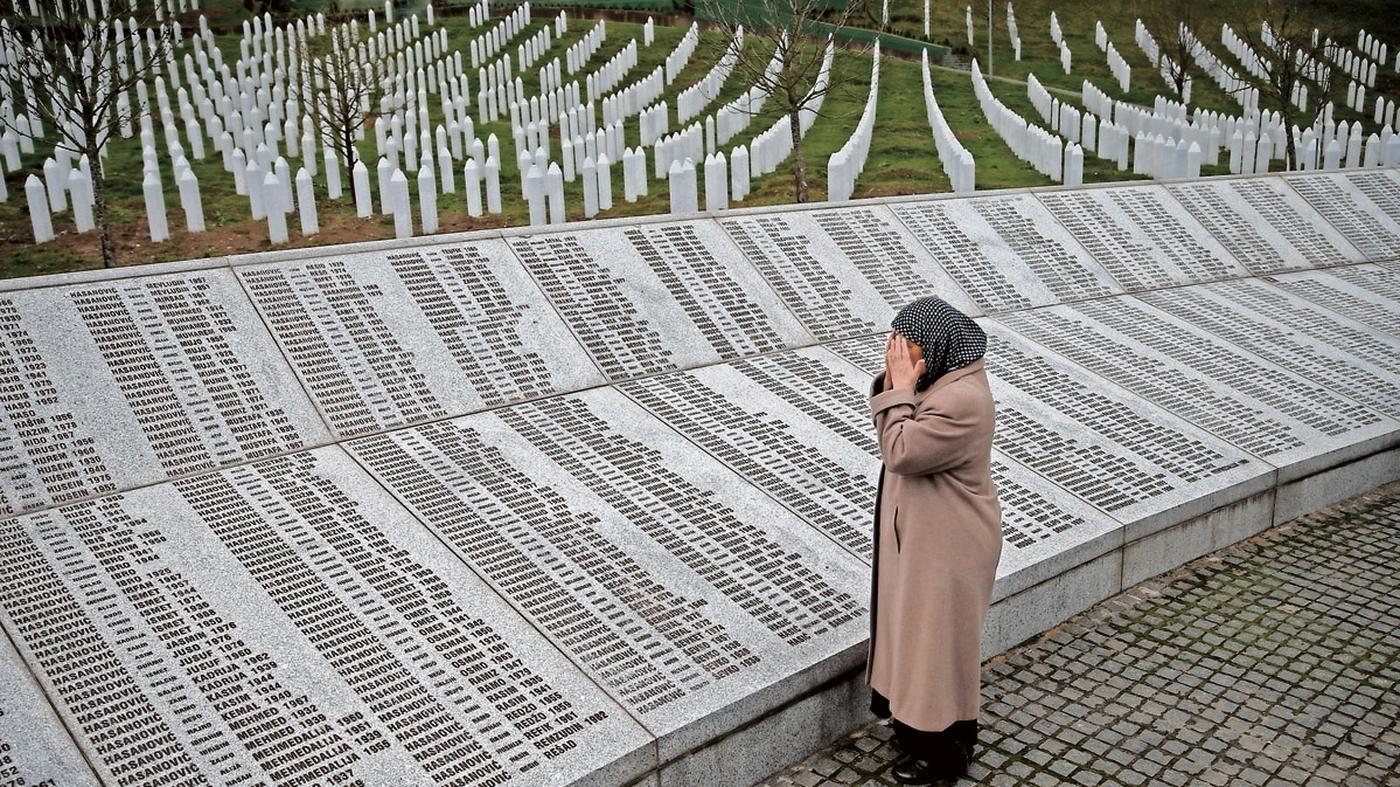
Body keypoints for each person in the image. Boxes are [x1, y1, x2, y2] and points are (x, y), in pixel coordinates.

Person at [865, 296, 1003, 785]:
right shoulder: (942, 380)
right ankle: (920, 728)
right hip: (925, 538)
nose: (899, 356)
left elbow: (900, 449)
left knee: (936, 648)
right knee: (918, 640)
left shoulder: (961, 400)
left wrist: (899, 388)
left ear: (940, 348)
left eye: (909, 348)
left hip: (950, 545)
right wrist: (899, 383)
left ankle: (943, 755)